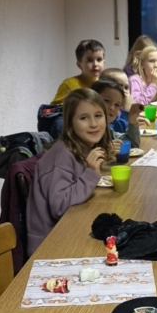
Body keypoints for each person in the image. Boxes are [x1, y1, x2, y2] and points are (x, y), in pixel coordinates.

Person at [27, 87, 112, 253]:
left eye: (98, 115)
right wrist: (91, 173)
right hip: (51, 244)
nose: (93, 124)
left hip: (72, 228)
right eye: (83, 118)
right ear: (70, 123)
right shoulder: (61, 156)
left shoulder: (84, 146)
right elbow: (59, 206)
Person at [50, 38, 105, 105]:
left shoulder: (105, 86)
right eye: (89, 60)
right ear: (79, 65)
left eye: (99, 60)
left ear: (104, 62)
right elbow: (53, 109)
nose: (95, 64)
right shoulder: (69, 85)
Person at [92, 76, 142, 149]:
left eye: (117, 105)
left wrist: (132, 119)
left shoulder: (107, 131)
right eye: (106, 100)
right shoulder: (84, 130)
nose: (112, 108)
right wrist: (106, 150)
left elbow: (131, 145)